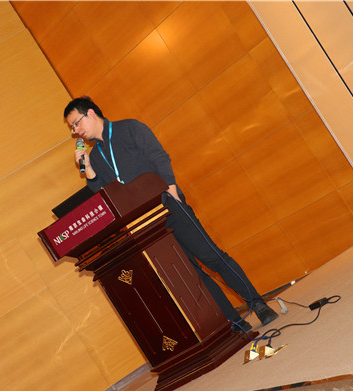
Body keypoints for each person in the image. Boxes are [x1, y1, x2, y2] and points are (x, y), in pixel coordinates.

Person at [64, 96, 278, 332]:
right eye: (72, 128)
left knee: (212, 257)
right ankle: (234, 321)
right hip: (147, 224)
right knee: (193, 273)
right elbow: (105, 194)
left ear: (91, 113)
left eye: (76, 123)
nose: (76, 131)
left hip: (169, 203)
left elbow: (158, 156)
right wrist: (89, 169)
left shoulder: (129, 127)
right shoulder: (95, 157)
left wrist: (172, 190)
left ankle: (258, 304)